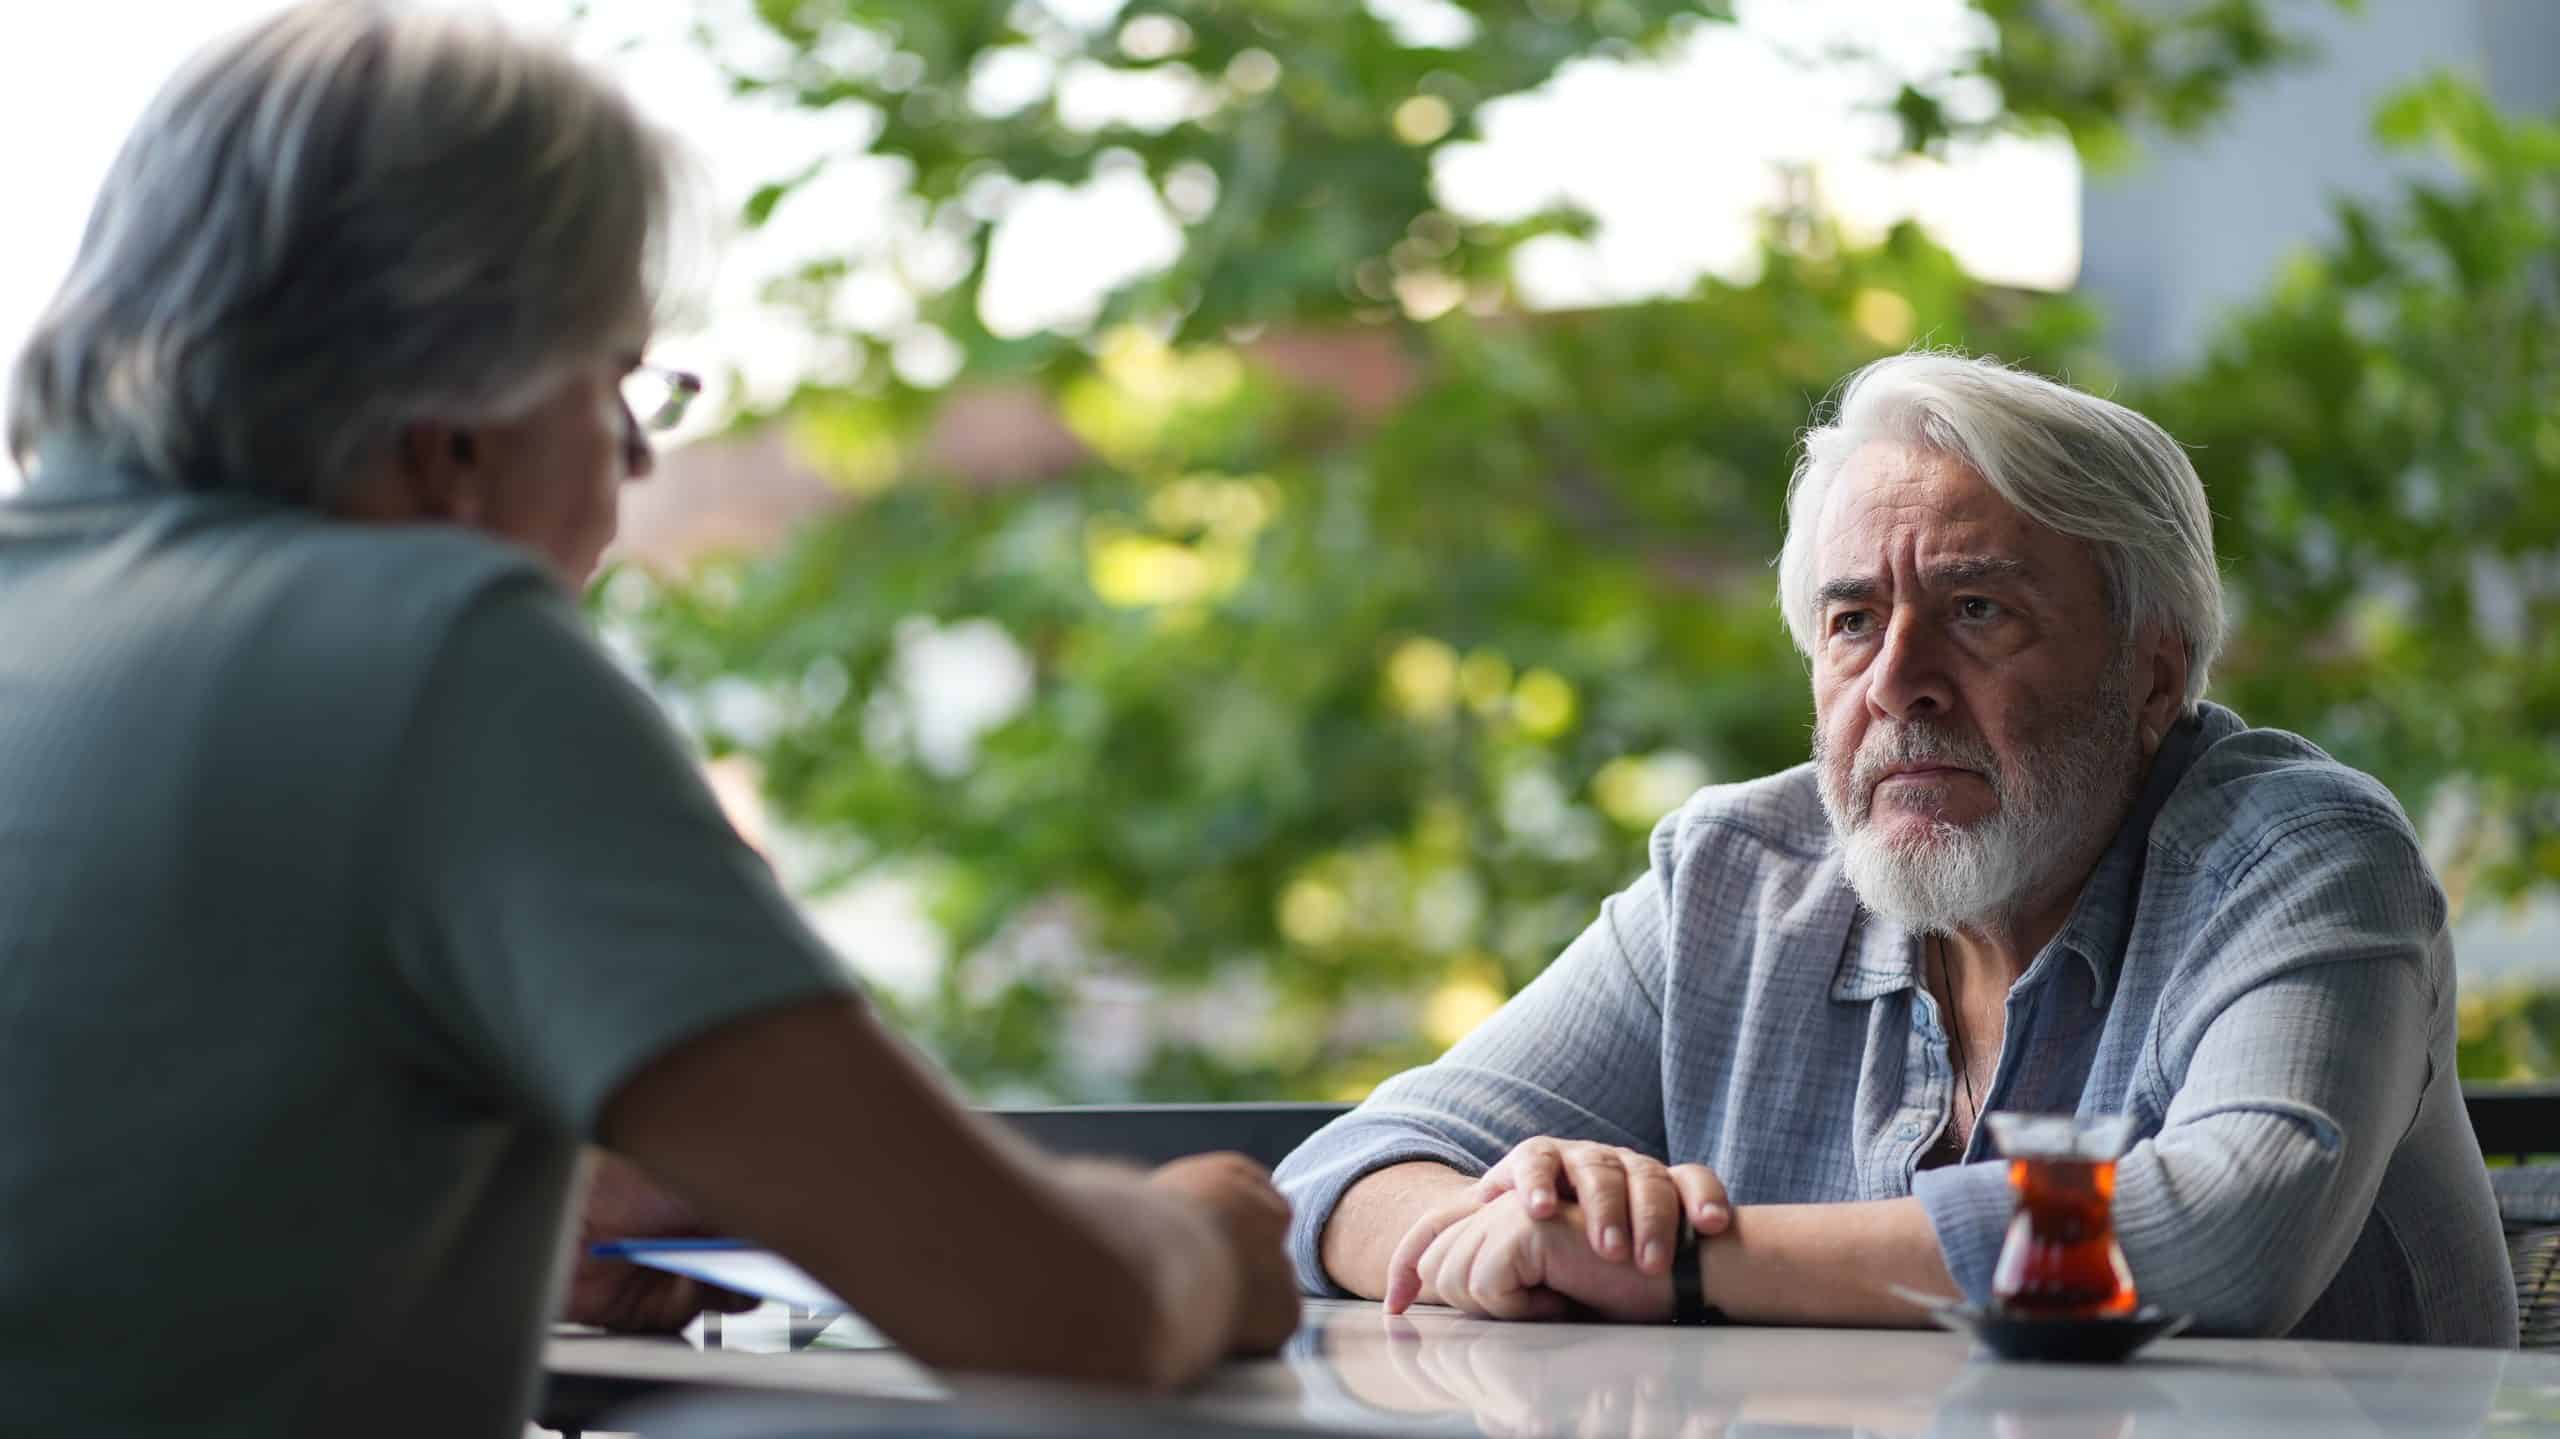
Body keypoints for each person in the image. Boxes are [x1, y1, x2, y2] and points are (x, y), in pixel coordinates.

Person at [0, 5, 1294, 1433]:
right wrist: (1216, 1223)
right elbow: (1059, 1314)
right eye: (618, 380)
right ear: (458, 412)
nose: (633, 457)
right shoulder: (432, 648)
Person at [1275, 352, 2518, 1346]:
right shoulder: (1735, 875)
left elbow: (2225, 1232)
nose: (1899, 683)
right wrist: (1518, 1227)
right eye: (1853, 620)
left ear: (2152, 673)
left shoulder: (2302, 857)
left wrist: (1671, 1258)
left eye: (1977, 611)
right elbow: (1341, 1173)